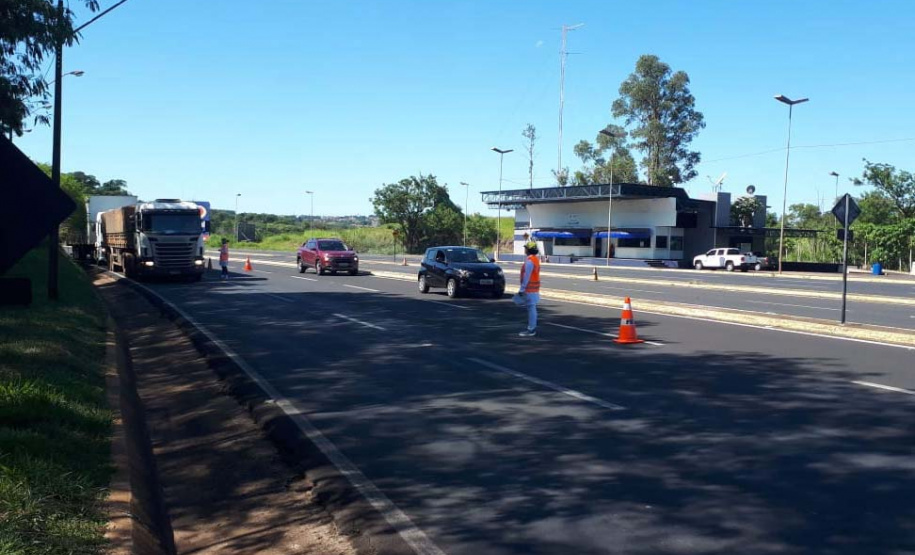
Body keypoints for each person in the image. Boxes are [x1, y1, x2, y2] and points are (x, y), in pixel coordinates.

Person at [517, 241, 541, 337]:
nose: (525, 249)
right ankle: (532, 328)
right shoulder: (535, 259)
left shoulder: (530, 261)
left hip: (529, 289)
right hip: (534, 288)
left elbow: (526, 276)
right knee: (532, 308)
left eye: (526, 248)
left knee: (531, 309)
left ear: (529, 250)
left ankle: (531, 329)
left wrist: (522, 289)